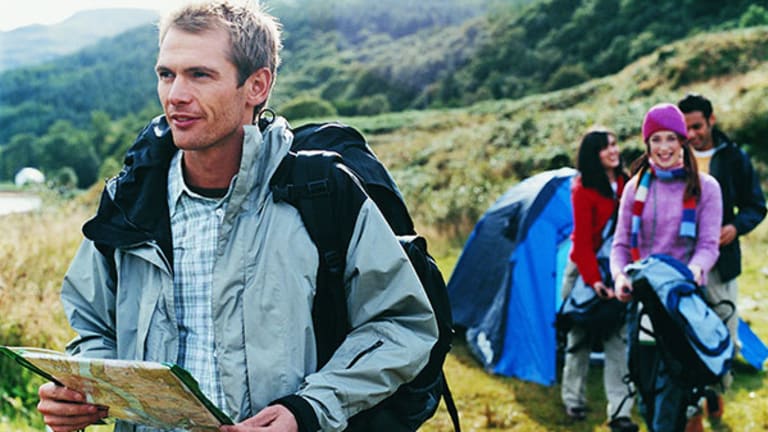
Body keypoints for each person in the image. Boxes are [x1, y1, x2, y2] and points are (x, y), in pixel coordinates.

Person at [35, 2, 438, 432]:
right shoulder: (131, 199)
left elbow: (400, 323)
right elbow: (93, 326)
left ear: (257, 85)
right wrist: (84, 392)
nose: (175, 95)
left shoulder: (322, 193)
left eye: (200, 75)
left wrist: (307, 409)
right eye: (166, 74)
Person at [611, 103, 723, 432]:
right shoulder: (633, 188)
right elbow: (620, 246)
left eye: (671, 138)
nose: (664, 148)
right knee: (646, 394)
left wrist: (694, 271)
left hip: (682, 305)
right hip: (642, 306)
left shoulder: (706, 187)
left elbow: (708, 245)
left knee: (671, 397)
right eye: (656, 139)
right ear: (647, 144)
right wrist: (619, 277)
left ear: (682, 141)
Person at [678, 93, 766, 395]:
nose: (691, 134)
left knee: (724, 323)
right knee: (684, 327)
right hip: (681, 258)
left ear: (711, 120)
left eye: (697, 126)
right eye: (686, 128)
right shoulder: (674, 157)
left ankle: (718, 392)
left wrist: (735, 227)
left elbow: (756, 205)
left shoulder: (734, 158)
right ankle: (689, 394)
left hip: (721, 259)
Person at [560, 129, 638, 432]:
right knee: (578, 339)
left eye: (614, 145)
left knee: (618, 341)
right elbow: (581, 243)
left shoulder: (626, 183)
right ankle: (573, 400)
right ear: (593, 155)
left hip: (616, 270)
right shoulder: (583, 189)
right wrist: (594, 282)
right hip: (584, 270)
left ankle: (620, 412)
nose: (613, 151)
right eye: (605, 147)